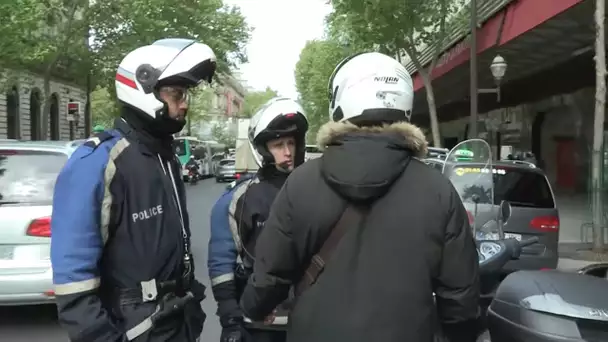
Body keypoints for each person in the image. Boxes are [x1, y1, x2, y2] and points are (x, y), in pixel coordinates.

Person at [239, 52, 481, 342]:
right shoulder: (438, 189)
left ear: (341, 104)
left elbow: (270, 276)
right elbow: (461, 298)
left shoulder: (301, 183)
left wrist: (252, 307)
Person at [50, 38, 217, 342]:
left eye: (186, 95)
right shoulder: (99, 161)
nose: (184, 104)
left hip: (174, 321)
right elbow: (73, 281)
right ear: (143, 87)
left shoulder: (163, 156)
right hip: (134, 328)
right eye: (177, 94)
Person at [208, 97, 309, 342]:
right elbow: (221, 262)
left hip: (308, 321)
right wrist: (230, 318)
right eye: (278, 145)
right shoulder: (238, 199)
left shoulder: (314, 191)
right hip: (257, 325)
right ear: (263, 148)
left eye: (291, 143)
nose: (287, 152)